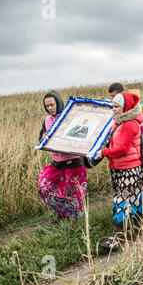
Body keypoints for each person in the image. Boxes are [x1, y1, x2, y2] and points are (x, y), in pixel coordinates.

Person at [94, 92, 143, 250]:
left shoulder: (130, 124)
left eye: (117, 107)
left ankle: (115, 238)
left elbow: (121, 148)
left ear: (126, 107)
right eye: (113, 106)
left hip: (129, 168)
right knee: (135, 197)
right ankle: (139, 226)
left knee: (121, 200)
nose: (114, 109)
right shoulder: (118, 122)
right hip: (118, 167)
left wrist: (103, 153)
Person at [38, 91, 87, 222]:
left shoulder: (70, 117)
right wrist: (43, 138)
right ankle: (62, 214)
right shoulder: (47, 120)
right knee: (44, 186)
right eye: (47, 106)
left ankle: (74, 222)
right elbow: (42, 139)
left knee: (73, 194)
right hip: (57, 163)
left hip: (74, 162)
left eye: (52, 105)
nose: (50, 108)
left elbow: (82, 135)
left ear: (58, 102)